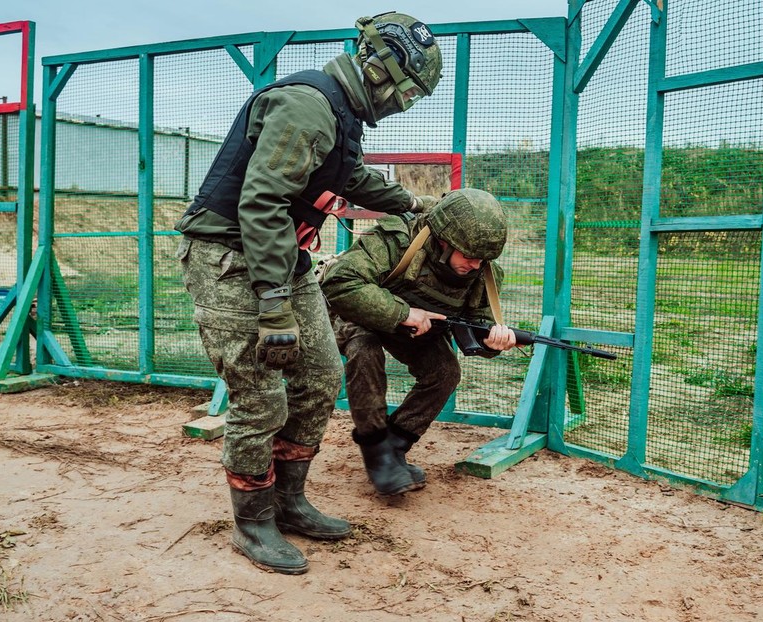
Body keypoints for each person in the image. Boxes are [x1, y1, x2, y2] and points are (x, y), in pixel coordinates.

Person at [173, 12, 442, 575]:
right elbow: (263, 203)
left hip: (278, 258)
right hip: (230, 261)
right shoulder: (307, 107)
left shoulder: (338, 116)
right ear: (381, 68)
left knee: (320, 375)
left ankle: (289, 501)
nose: (404, 104)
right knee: (260, 395)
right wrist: (273, 304)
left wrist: (414, 205)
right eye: (408, 91)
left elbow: (345, 178)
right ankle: (252, 522)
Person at [320, 188, 517, 496]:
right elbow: (340, 283)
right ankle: (375, 450)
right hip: (357, 312)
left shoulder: (484, 271)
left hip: (415, 328)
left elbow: (478, 322)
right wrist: (403, 313)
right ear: (443, 241)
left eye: (483, 259)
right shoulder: (396, 240)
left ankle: (395, 445)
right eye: (469, 256)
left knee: (444, 371)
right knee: (364, 349)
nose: (476, 266)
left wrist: (492, 340)